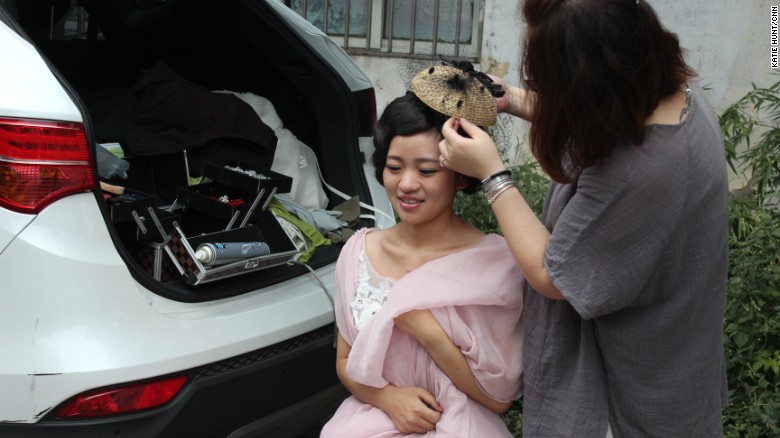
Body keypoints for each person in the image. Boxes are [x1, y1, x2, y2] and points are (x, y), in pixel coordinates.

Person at [435, 0, 729, 437]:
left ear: (589, 77)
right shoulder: (677, 94)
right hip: (677, 356)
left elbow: (552, 274)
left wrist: (492, 176)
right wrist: (510, 99)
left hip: (624, 394)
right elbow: (602, 117)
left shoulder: (641, 173)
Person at [320, 89, 524, 437]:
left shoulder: (497, 264)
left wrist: (430, 333)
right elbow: (345, 361)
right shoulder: (358, 253)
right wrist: (387, 398)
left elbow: (498, 398)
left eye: (427, 170)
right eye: (394, 168)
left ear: (461, 175)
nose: (407, 185)